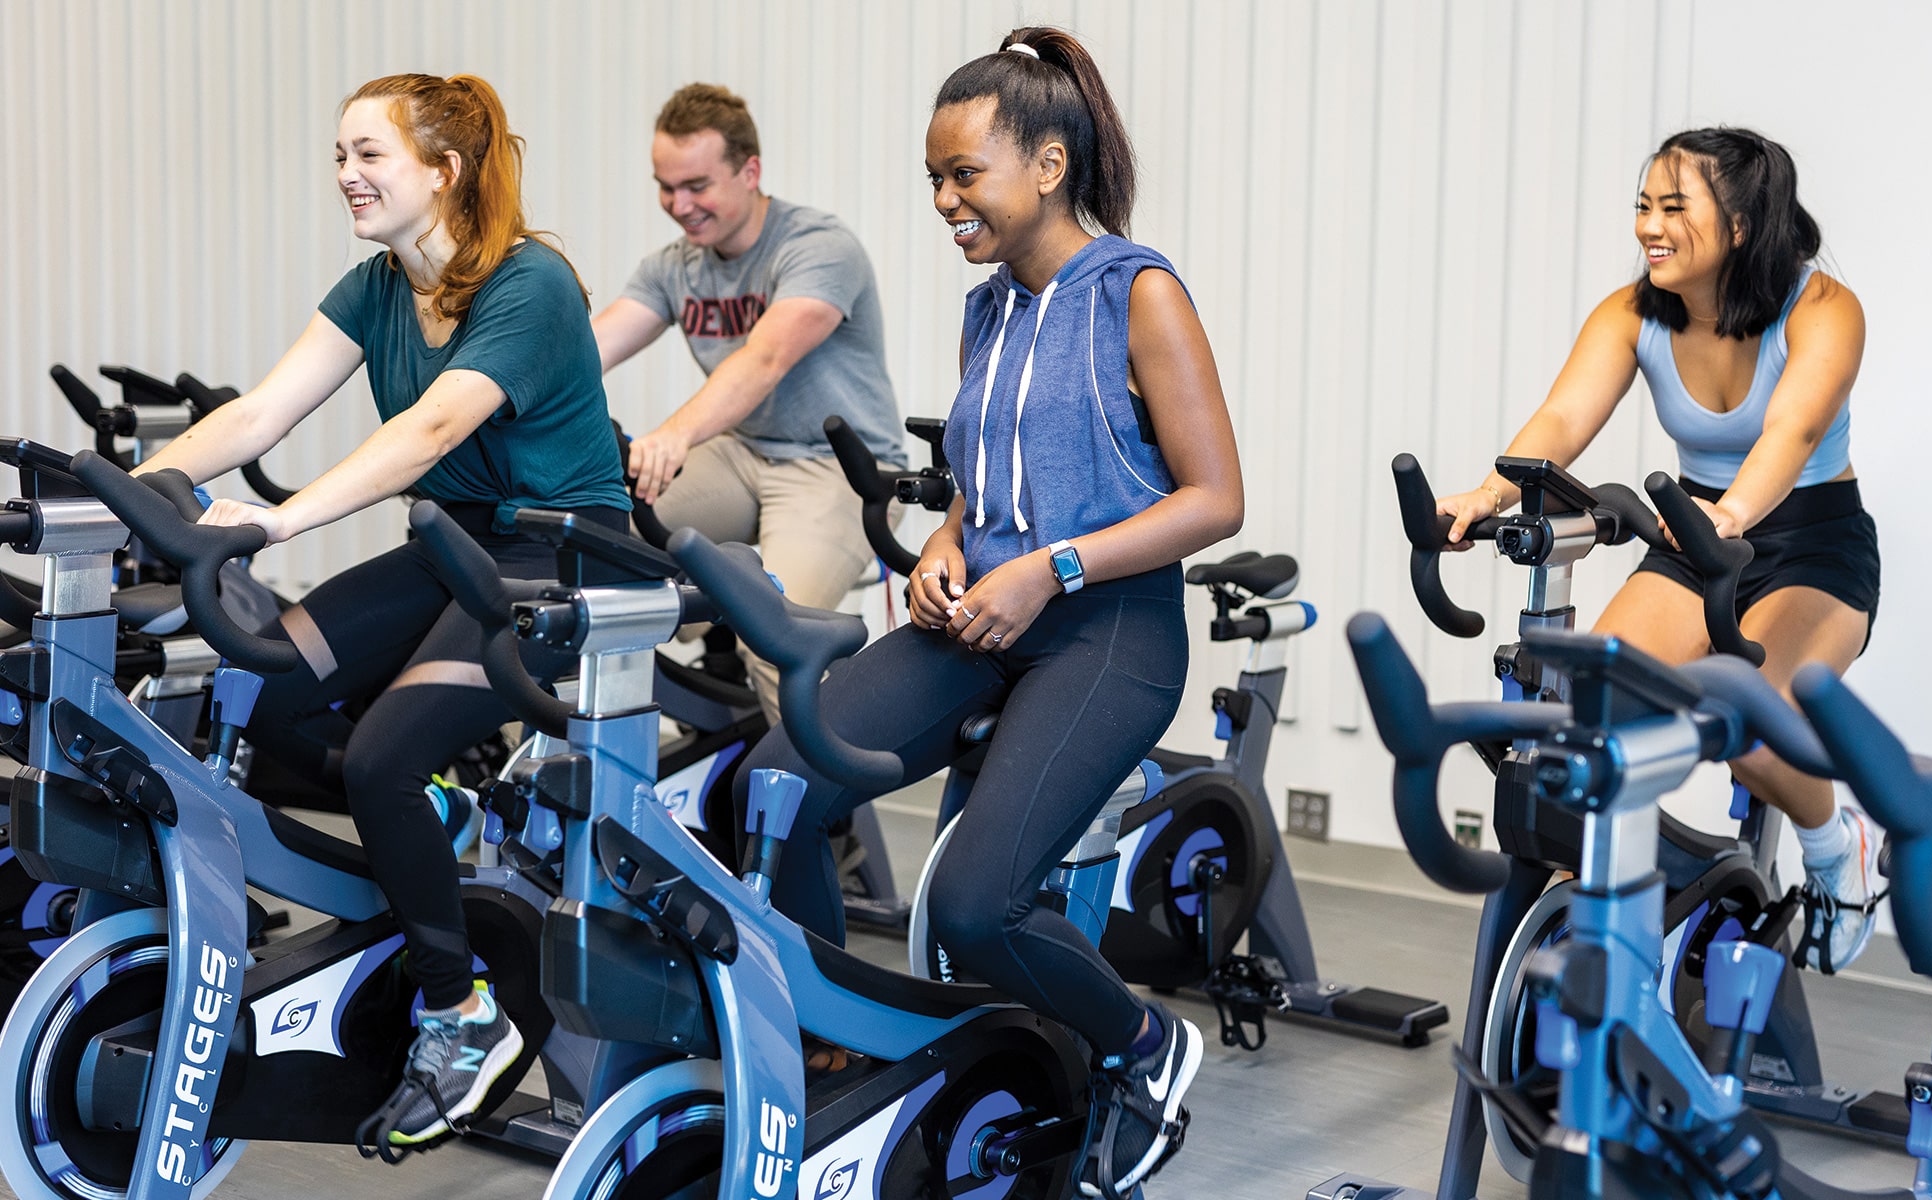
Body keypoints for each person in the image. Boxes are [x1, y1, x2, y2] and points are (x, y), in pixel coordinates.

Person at [739, 28, 1241, 1199]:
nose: (943, 199)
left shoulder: (1140, 293)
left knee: (973, 904)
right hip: (978, 613)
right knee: (773, 783)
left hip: (1104, 629)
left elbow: (1215, 500)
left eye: (964, 173)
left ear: (1049, 167)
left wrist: (1048, 570)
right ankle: (843, 1043)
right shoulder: (988, 310)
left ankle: (1142, 1048)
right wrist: (947, 546)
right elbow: (987, 475)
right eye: (933, 177)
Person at [136, 73, 631, 1155]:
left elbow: (430, 428)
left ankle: (462, 1018)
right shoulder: (374, 286)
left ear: (443, 172)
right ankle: (450, 824)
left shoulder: (528, 282)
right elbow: (262, 408)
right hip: (453, 542)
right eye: (340, 156)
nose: (348, 177)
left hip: (558, 554)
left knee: (380, 762)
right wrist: (128, 488)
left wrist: (279, 522)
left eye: (371, 156)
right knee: (256, 690)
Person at [1435, 127, 1879, 973]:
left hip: (1810, 544)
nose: (1649, 225)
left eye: (1674, 207)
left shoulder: (1823, 309)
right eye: (1644, 205)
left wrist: (1735, 511)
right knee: (1588, 730)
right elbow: (1563, 421)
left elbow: (1795, 431)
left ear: (1742, 224)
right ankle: (1611, 909)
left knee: (1751, 722)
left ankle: (1834, 845)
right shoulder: (1632, 311)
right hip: (1693, 541)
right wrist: (1490, 494)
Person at [592, 82, 906, 723]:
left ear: (750, 171)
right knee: (596, 555)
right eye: (665, 185)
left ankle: (817, 808)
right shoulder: (673, 267)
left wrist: (675, 435)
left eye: (697, 185)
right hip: (742, 455)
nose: (679, 205)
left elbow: (764, 360)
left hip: (839, 470)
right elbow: (582, 354)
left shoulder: (818, 246)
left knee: (773, 640)